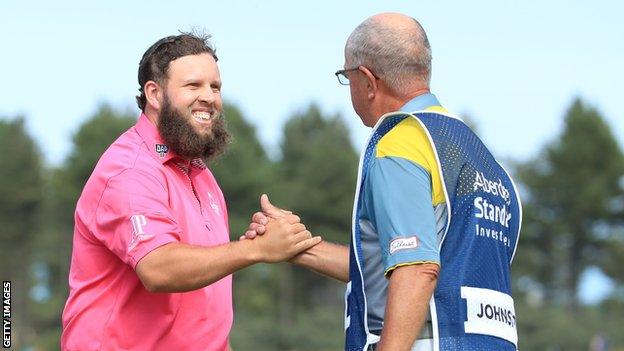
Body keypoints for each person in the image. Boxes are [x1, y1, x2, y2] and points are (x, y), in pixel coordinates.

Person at [248, 13, 522, 351]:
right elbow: (404, 265)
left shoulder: (400, 143)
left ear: (367, 80)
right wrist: (298, 248)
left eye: (345, 76)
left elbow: (418, 268)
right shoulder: (480, 157)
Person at [60, 32, 321, 351]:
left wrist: (262, 242)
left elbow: (205, 309)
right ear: (154, 94)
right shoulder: (130, 170)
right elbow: (158, 267)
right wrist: (255, 250)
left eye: (215, 87)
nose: (209, 98)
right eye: (193, 85)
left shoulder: (200, 173)